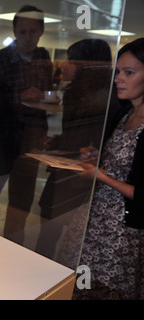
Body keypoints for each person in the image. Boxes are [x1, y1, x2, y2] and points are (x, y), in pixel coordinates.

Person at [73, 38, 144, 299]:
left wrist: (101, 176)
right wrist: (98, 156)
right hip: (94, 220)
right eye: (118, 72)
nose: (118, 79)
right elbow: (122, 162)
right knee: (81, 287)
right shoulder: (124, 113)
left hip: (122, 231)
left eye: (129, 72)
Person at [0, 5, 53, 242]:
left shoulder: (43, 58)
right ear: (14, 31)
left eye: (32, 31)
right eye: (22, 32)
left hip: (30, 140)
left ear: (40, 31)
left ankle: (12, 248)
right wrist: (19, 98)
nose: (28, 37)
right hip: (0, 141)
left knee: (22, 203)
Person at [33, 39, 114, 261]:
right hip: (66, 166)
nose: (65, 65)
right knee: (48, 228)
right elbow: (75, 133)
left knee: (68, 233)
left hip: (82, 171)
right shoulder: (76, 92)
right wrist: (56, 142)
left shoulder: (104, 95)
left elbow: (93, 137)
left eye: (73, 61)